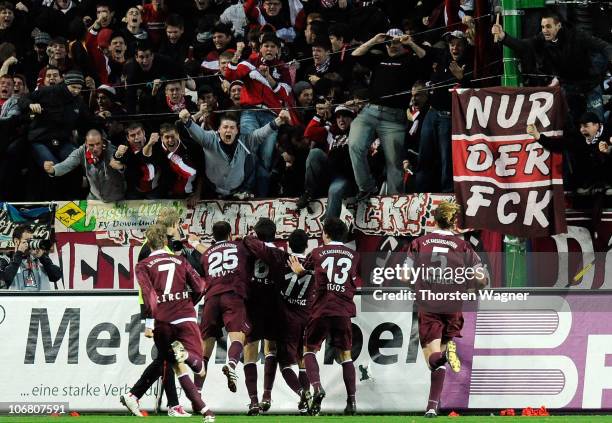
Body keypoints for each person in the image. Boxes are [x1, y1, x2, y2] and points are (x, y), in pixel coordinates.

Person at [404, 201, 488, 417]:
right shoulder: (463, 246)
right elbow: (481, 279)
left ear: (434, 219)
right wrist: (474, 287)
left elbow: (405, 276)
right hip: (453, 305)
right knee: (438, 358)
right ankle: (432, 407)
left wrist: (416, 285)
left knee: (432, 359)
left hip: (429, 304)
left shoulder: (419, 243)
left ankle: (441, 363)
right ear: (453, 222)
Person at [132, 224, 215, 423]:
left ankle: (206, 412)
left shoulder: (142, 265)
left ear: (148, 244)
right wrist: (188, 303)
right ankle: (202, 407)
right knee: (199, 368)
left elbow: (149, 295)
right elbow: (200, 286)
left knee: (177, 366)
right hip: (184, 316)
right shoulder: (179, 260)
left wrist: (149, 324)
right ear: (164, 241)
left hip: (161, 320)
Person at [122, 207, 195, 418]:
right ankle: (140, 396)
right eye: (176, 225)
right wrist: (149, 320)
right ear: (172, 225)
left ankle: (160, 401)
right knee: (167, 356)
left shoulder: (165, 247)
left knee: (167, 356)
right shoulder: (150, 250)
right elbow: (148, 287)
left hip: (166, 308)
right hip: (156, 309)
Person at [289, 217, 360, 415]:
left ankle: (318, 387)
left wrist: (299, 272)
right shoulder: (354, 255)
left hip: (321, 308)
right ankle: (352, 402)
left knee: (309, 351)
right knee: (346, 356)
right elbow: (352, 278)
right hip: (343, 309)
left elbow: (306, 272)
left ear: (326, 234)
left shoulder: (318, 252)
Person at [348, 29, 427, 200]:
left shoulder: (410, 60)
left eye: (395, 42)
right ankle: (367, 187)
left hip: (394, 117)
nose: (392, 45)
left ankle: (393, 200)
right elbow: (354, 55)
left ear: (402, 43)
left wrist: (410, 43)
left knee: (394, 163)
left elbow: (426, 60)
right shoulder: (379, 58)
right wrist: (374, 40)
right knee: (355, 145)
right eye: (389, 42)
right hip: (370, 111)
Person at [491, 11, 612, 121]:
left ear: (558, 26)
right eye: (543, 27)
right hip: (569, 86)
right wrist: (503, 37)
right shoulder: (542, 38)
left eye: (548, 26)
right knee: (571, 123)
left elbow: (603, 46)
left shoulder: (577, 36)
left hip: (589, 84)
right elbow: (524, 46)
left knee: (596, 121)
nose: (544, 30)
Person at [243, 228, 312, 415]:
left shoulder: (280, 258)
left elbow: (251, 244)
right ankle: (305, 401)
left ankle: (263, 398)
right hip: (305, 318)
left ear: (288, 244)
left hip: (279, 314)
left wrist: (249, 236)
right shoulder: (313, 264)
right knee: (301, 360)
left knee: (275, 359)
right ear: (307, 245)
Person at [179, 108, 292, 199]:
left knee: (252, 159)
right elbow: (198, 133)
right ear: (218, 129)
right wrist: (187, 121)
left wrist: (278, 121)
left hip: (236, 190)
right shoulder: (210, 139)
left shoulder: (245, 141)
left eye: (232, 127)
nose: (228, 130)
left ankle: (246, 190)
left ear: (237, 130)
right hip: (211, 187)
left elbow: (260, 134)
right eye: (225, 127)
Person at [193, 221, 252, 395]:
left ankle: (197, 394)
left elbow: (206, 258)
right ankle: (232, 364)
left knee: (205, 349)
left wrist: (195, 244)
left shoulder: (207, 254)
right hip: (232, 295)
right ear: (230, 234)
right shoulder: (239, 247)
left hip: (211, 298)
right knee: (238, 338)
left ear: (213, 236)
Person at [240, 218, 280, 415]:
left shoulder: (248, 252)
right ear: (275, 234)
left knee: (250, 351)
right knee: (271, 349)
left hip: (252, 305)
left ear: (256, 235)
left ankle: (254, 401)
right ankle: (267, 395)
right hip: (273, 306)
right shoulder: (281, 254)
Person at [297, 103, 357, 218]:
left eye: (345, 116)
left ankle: (329, 231)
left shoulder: (358, 132)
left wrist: (358, 109)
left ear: (352, 118)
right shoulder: (332, 131)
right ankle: (309, 192)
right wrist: (318, 115)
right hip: (328, 173)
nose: (341, 120)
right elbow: (308, 133)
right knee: (315, 153)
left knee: (334, 191)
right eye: (338, 117)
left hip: (345, 177)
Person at [43, 129, 127, 202]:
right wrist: (53, 170)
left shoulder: (110, 149)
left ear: (102, 142)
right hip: (94, 198)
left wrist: (119, 159)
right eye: (91, 145)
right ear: (86, 144)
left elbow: (118, 159)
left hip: (117, 199)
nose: (95, 148)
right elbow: (67, 164)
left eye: (98, 144)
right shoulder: (81, 151)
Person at [0, 225, 61, 291]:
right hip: (18, 300)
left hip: (42, 300)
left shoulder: (40, 258)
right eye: (27, 241)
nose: (30, 243)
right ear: (16, 241)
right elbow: (4, 281)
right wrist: (19, 254)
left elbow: (55, 277)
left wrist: (42, 257)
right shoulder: (6, 259)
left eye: (32, 240)